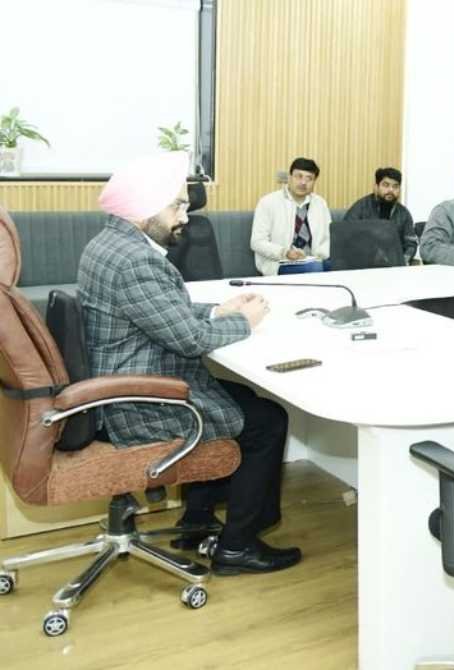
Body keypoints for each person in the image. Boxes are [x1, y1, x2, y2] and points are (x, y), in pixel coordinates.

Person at [79, 151, 300, 574]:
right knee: (268, 421)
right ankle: (237, 547)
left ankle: (196, 521)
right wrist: (245, 322)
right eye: (176, 205)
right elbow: (190, 340)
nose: (184, 216)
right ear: (143, 209)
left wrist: (218, 311)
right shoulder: (137, 261)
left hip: (122, 386)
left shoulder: (108, 243)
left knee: (241, 395)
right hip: (139, 404)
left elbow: (160, 310)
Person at [251, 157, 332, 276]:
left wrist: (320, 256)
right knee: (315, 268)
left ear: (314, 182)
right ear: (289, 177)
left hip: (314, 259)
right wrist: (285, 252)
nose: (303, 182)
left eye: (309, 178)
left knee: (340, 265)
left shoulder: (320, 203)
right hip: (279, 262)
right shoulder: (268, 202)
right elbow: (257, 242)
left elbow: (329, 237)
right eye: (299, 176)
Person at [343, 166, 418, 264]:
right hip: (362, 263)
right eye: (386, 185)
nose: (391, 190)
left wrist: (403, 261)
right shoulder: (361, 207)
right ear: (376, 187)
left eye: (395, 186)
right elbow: (345, 237)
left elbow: (411, 244)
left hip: (394, 265)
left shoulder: (404, 214)